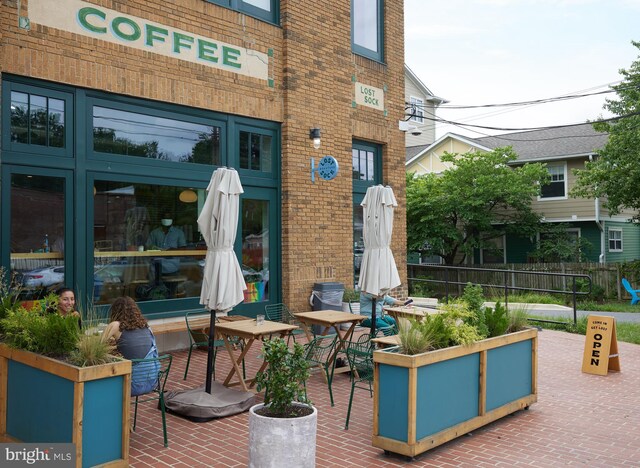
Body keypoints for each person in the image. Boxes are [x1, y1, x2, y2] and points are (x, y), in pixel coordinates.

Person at [102, 296, 159, 396]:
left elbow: (98, 346)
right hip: (152, 383)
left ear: (116, 311)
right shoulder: (146, 326)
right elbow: (132, 348)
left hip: (131, 386)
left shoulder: (115, 325)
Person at [146, 211, 186, 276]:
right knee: (156, 285)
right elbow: (148, 247)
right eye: (165, 218)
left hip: (173, 267)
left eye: (169, 218)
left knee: (172, 285)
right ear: (161, 219)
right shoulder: (154, 233)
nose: (167, 220)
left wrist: (172, 250)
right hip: (156, 268)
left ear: (172, 219)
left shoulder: (179, 233)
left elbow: (183, 249)